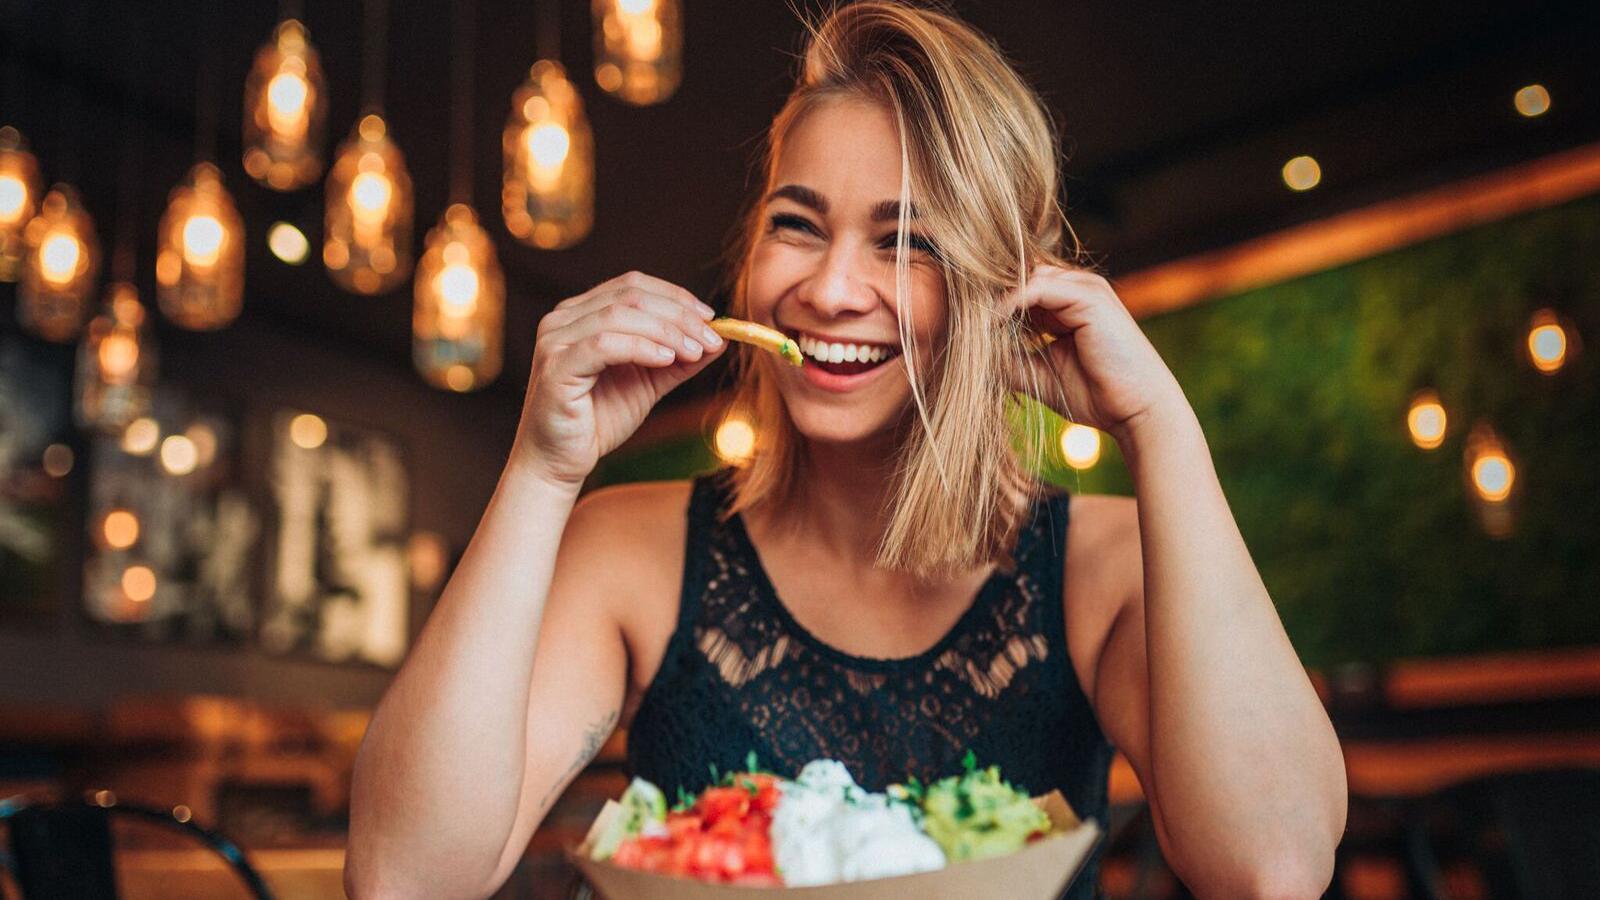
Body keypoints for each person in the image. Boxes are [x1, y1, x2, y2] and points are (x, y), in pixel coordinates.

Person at [344, 2, 1347, 897]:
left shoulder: (1104, 567)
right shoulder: (629, 551)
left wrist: (1159, 429)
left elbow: (1271, 866)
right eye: (796, 223)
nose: (829, 288)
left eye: (905, 241)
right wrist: (540, 471)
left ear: (1004, 286)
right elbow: (405, 877)